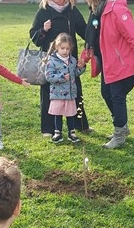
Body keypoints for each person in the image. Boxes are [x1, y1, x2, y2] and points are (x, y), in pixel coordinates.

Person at [85, 0, 134, 149]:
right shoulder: (98, 10)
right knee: (106, 93)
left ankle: (119, 134)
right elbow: (94, 36)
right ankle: (122, 127)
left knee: (117, 98)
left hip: (123, 64)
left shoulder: (117, 10)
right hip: (109, 65)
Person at [29, 0, 89, 136]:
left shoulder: (72, 10)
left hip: (70, 61)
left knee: (75, 92)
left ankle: (80, 125)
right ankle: (48, 129)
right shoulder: (44, 11)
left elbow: (83, 30)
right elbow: (34, 37)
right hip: (51, 62)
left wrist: (95, 36)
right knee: (48, 92)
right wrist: (43, 30)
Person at [45, 33, 85, 144]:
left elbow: (75, 74)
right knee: (58, 113)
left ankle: (71, 133)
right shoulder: (52, 61)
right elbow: (48, 76)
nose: (65, 51)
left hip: (70, 94)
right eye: (62, 48)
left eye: (67, 48)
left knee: (70, 113)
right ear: (56, 47)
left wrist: (81, 68)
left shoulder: (72, 60)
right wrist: (61, 77)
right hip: (57, 93)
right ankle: (57, 132)